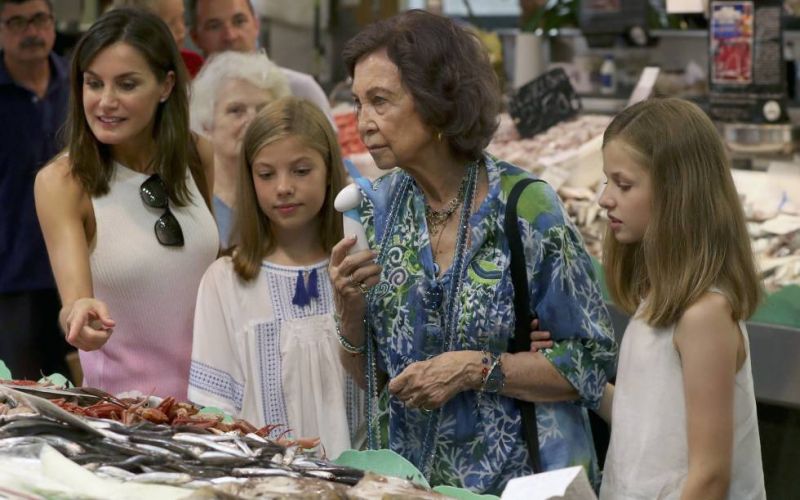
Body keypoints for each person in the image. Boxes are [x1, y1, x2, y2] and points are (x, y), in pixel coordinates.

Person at [329, 10, 617, 494]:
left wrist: (476, 369)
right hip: (414, 483)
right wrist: (350, 313)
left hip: (522, 479)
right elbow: (375, 379)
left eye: (381, 101)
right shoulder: (377, 211)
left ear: (438, 100)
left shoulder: (526, 208)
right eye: (359, 103)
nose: (365, 123)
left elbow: (591, 360)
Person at [34, 8, 218, 400]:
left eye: (127, 84)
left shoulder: (198, 155)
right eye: (94, 83)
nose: (106, 101)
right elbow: (74, 301)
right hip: (124, 415)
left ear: (166, 85)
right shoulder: (63, 182)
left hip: (214, 407)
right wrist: (78, 315)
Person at [595, 98, 765, 499]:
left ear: (677, 194)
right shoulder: (656, 298)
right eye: (607, 181)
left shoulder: (704, 315)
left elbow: (709, 477)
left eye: (623, 184)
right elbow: (652, 423)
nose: (605, 198)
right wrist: (582, 383)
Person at [188, 96, 364, 458]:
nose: (283, 187)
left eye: (301, 171)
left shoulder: (359, 266)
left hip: (369, 478)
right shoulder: (226, 281)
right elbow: (213, 409)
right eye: (266, 174)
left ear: (330, 170)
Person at [0, 0, 73, 380]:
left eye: (40, 19)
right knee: (23, 395)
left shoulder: (81, 85)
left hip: (80, 272)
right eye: (17, 22)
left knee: (91, 395)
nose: (32, 32)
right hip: (12, 279)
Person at [190, 50, 291, 248]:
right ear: (207, 124)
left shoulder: (287, 194)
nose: (252, 121)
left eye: (263, 110)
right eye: (236, 110)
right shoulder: (191, 197)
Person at [187, 0, 333, 124]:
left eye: (239, 21)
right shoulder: (185, 103)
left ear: (256, 25)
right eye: (214, 26)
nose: (230, 36)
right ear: (195, 38)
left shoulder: (302, 90)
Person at [112, 0, 205, 78]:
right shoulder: (120, 69)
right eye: (170, 24)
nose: (182, 30)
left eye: (182, 18)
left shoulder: (194, 64)